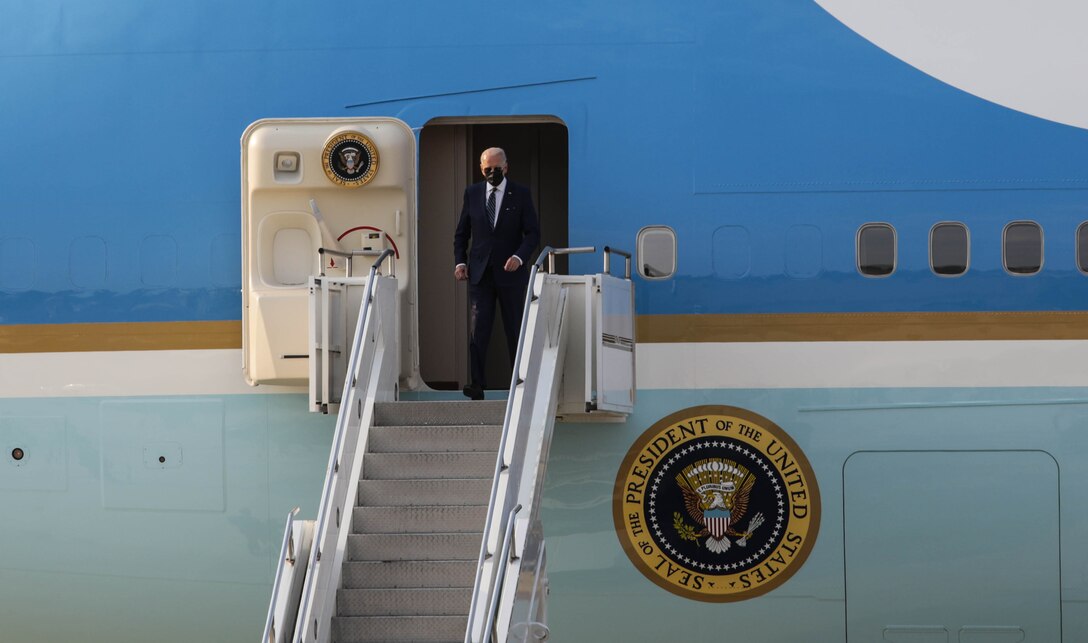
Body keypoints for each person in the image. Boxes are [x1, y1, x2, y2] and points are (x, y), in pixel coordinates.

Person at [453, 147, 540, 400]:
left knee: (514, 329)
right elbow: (462, 233)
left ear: (506, 167)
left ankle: (519, 384)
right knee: (478, 330)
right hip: (480, 275)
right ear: (482, 170)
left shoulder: (520, 194)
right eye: (487, 169)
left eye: (497, 168)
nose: (492, 173)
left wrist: (519, 257)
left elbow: (533, 233)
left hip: (511, 273)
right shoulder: (472, 193)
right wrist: (460, 262)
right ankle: (477, 384)